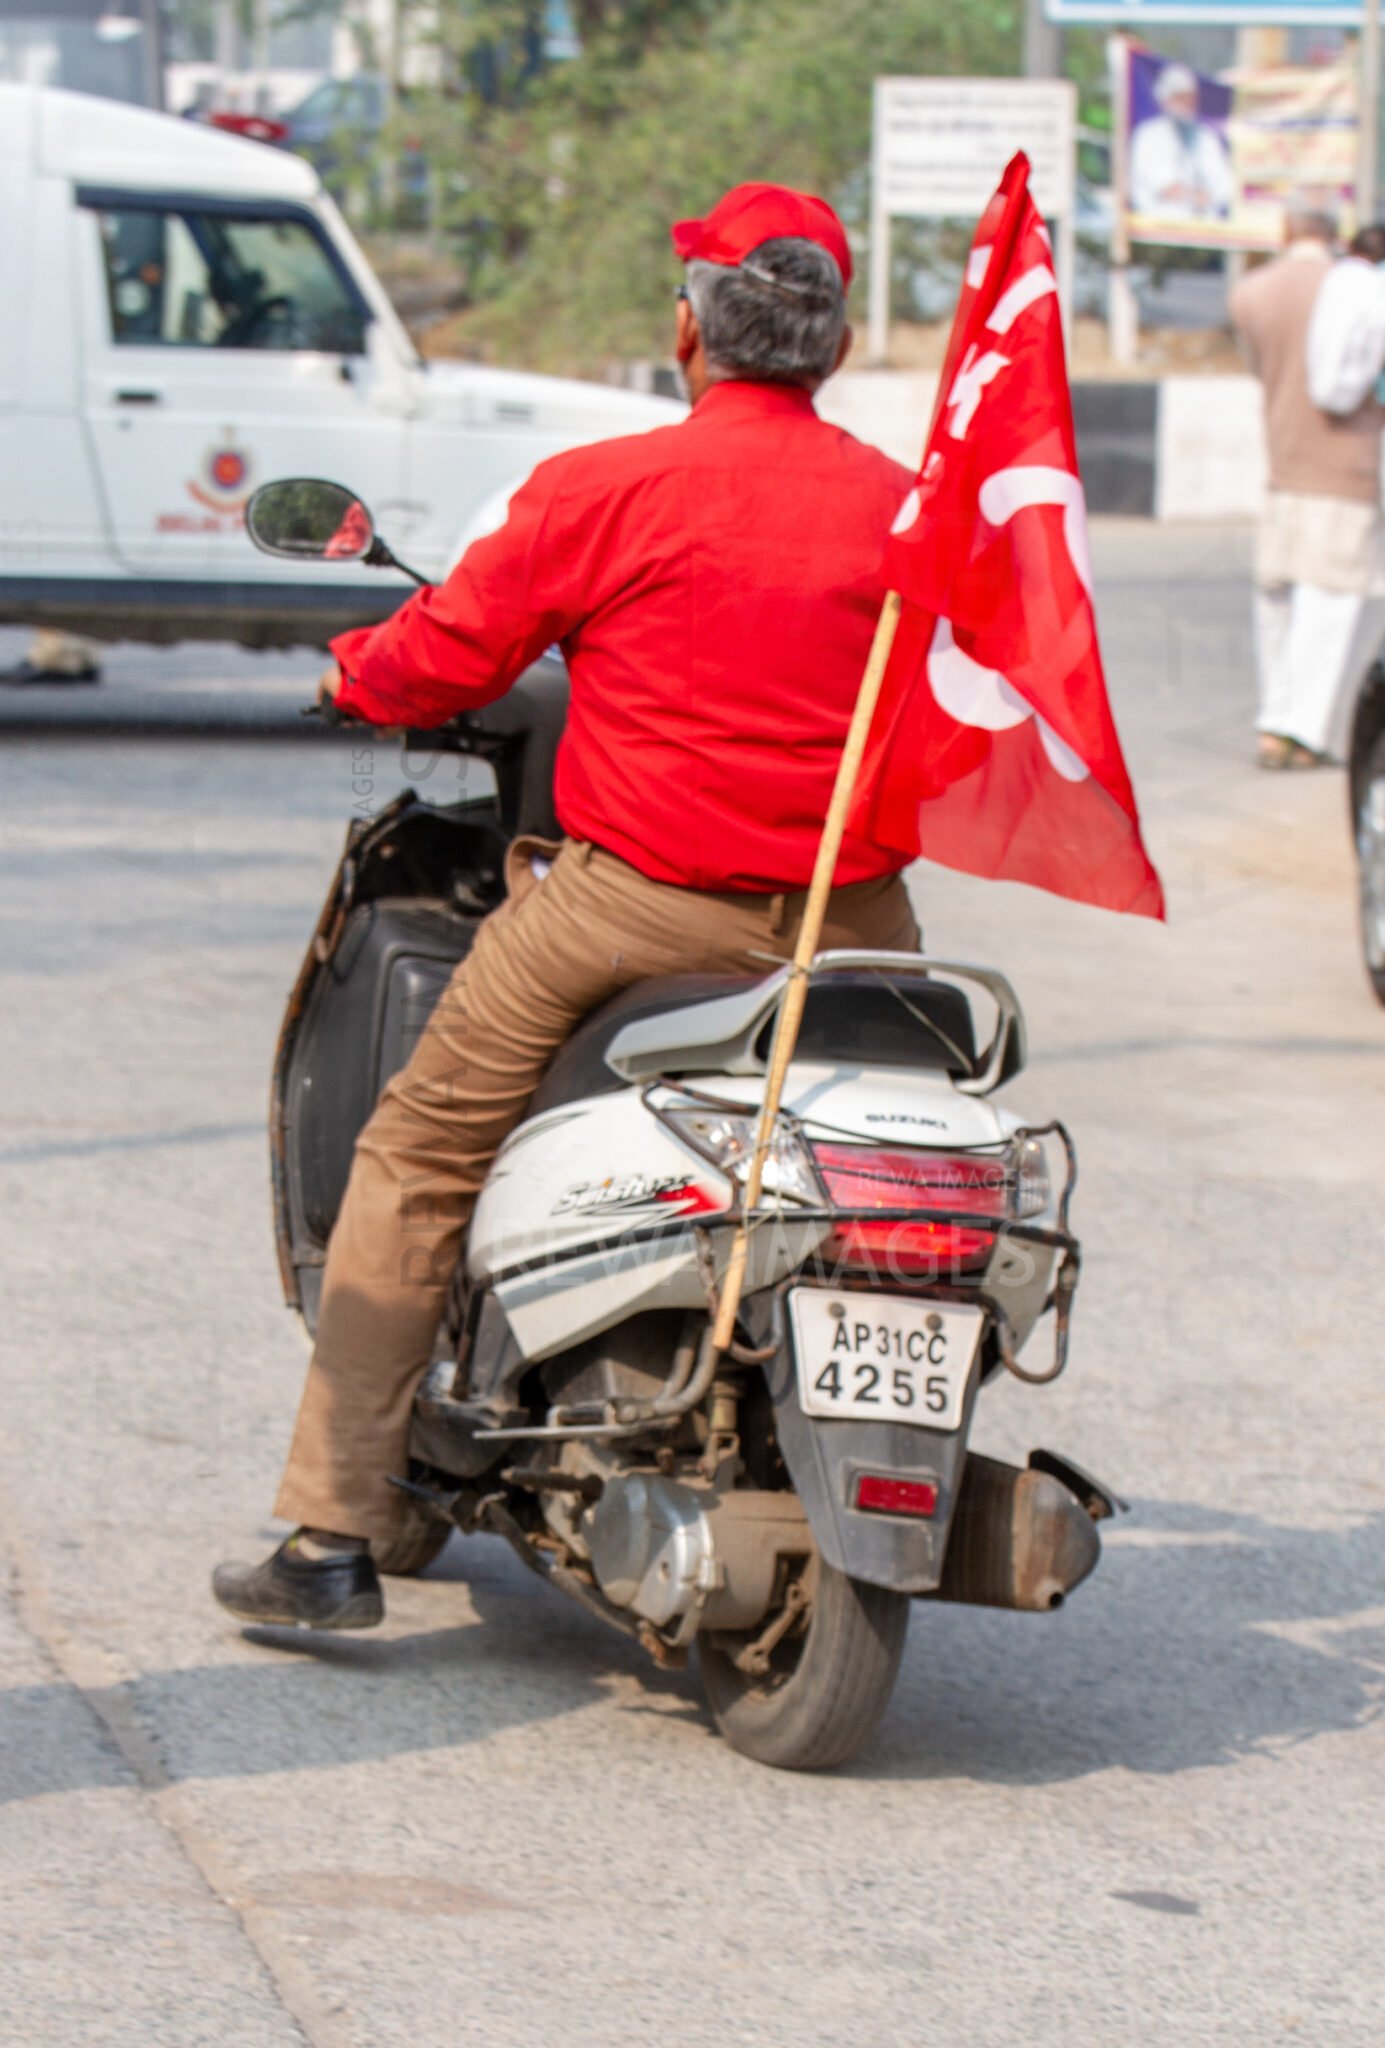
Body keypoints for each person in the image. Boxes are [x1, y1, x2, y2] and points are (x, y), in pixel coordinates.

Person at [212, 181, 921, 1632]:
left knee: (416, 1154)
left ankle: (333, 1533)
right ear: (835, 347)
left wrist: (355, 670)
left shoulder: (608, 488)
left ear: (689, 331)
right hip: (857, 927)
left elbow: (449, 650)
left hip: (634, 912)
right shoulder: (911, 510)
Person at [1231, 206, 1385, 768]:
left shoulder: (1251, 292)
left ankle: (1274, 723)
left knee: (1276, 599)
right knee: (1330, 602)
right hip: (1345, 469)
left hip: (1281, 463)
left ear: (1285, 233)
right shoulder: (1359, 289)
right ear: (1334, 236)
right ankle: (1303, 732)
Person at [1129, 61, 1233, 223]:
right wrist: (1168, 190)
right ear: (1165, 100)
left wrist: (1207, 196)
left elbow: (1224, 184)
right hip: (1157, 224)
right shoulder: (1147, 135)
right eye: (1179, 98)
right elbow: (1143, 185)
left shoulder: (1206, 137)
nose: (1185, 104)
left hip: (1202, 227)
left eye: (1189, 98)